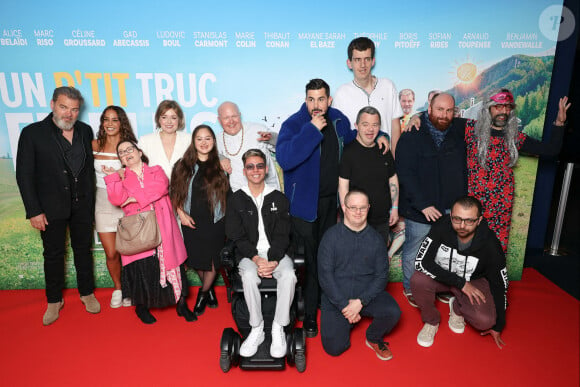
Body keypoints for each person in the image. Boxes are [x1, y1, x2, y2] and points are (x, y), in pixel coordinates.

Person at [276, 78, 357, 338]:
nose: (316, 105)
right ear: (305, 99)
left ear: (329, 100)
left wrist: (381, 136)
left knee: (329, 259)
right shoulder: (294, 123)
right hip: (303, 208)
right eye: (311, 99)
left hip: (333, 204)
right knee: (310, 262)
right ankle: (310, 314)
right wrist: (311, 130)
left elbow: (356, 140)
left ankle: (325, 302)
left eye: (321, 99)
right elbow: (285, 159)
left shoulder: (339, 120)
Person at [16, 86, 100, 326]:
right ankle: (54, 300)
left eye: (74, 109)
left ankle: (87, 293)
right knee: (53, 254)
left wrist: (91, 204)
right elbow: (24, 174)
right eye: (64, 107)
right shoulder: (33, 133)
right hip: (50, 207)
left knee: (83, 251)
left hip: (82, 205)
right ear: (53, 104)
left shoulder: (85, 130)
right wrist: (33, 210)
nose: (69, 114)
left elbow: (87, 173)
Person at [466, 90, 569, 253]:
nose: (504, 112)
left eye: (508, 108)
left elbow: (551, 150)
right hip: (473, 203)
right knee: (468, 246)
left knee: (496, 249)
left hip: (501, 206)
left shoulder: (515, 138)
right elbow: (439, 121)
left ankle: (494, 278)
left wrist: (559, 123)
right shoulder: (469, 130)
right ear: (488, 109)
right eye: (499, 107)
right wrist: (417, 117)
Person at [105, 140, 195, 324]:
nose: (126, 153)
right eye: (122, 152)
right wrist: (113, 178)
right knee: (143, 267)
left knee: (172, 264)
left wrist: (134, 198)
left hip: (163, 224)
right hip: (139, 229)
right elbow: (116, 199)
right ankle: (142, 307)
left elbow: (160, 188)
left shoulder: (157, 170)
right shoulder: (120, 177)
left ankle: (181, 305)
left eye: (130, 149)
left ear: (139, 152)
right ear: (120, 159)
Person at [395, 93, 467, 308]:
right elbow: (405, 173)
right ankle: (410, 287)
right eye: (439, 110)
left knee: (445, 251)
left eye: (449, 111)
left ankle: (441, 287)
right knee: (414, 250)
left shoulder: (459, 131)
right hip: (420, 209)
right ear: (429, 110)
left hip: (449, 208)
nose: (444, 115)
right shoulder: (412, 134)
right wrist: (423, 204)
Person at [226, 149, 297, 358]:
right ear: (244, 170)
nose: (255, 170)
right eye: (250, 167)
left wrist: (273, 260)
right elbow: (235, 235)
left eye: (259, 166)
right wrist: (256, 259)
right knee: (248, 276)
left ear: (266, 169)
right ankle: (256, 328)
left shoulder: (279, 198)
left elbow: (284, 234)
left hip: (276, 253)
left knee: (289, 276)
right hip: (249, 255)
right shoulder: (236, 199)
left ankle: (278, 327)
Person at [411, 196, 508, 349]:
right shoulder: (441, 226)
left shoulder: (490, 244)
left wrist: (499, 325)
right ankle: (431, 321)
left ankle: (457, 307)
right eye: (457, 219)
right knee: (418, 280)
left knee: (485, 322)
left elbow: (499, 285)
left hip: (473, 280)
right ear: (451, 216)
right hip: (444, 277)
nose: (462, 226)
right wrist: (460, 283)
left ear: (479, 220)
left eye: (469, 221)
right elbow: (422, 261)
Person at [318, 190, 401, 360]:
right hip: (337, 296)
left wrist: (360, 302)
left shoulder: (376, 239)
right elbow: (325, 276)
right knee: (334, 348)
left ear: (368, 208)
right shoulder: (330, 237)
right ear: (344, 208)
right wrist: (345, 307)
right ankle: (349, 320)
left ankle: (373, 337)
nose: (358, 212)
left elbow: (381, 276)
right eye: (353, 207)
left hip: (366, 294)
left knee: (393, 312)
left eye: (362, 208)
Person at [170, 125, 230, 317]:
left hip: (216, 221)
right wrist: (181, 214)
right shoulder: (182, 165)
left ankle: (202, 295)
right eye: (199, 139)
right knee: (196, 260)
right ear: (193, 142)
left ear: (213, 141)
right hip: (191, 219)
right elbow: (174, 192)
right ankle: (210, 289)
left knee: (212, 261)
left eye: (208, 139)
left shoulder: (221, 165)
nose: (204, 143)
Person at [93, 106, 137, 308]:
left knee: (128, 250)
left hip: (125, 202)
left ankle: (130, 289)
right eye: (106, 119)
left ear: (122, 123)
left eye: (115, 120)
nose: (110, 124)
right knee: (111, 252)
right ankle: (118, 288)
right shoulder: (93, 145)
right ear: (102, 122)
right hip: (102, 201)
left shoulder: (129, 146)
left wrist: (124, 174)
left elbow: (139, 173)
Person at [339, 106, 399, 247]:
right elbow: (343, 186)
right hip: (356, 220)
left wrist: (395, 208)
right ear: (357, 126)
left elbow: (393, 179)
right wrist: (346, 212)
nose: (370, 130)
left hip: (382, 220)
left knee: (379, 263)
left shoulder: (384, 150)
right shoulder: (348, 153)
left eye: (375, 125)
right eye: (365, 124)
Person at [333, 37, 404, 153]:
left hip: (385, 162)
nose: (362, 65)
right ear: (349, 63)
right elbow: (339, 135)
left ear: (373, 61)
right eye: (357, 60)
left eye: (367, 59)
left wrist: (395, 162)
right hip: (355, 164)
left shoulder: (388, 86)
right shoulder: (341, 93)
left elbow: (395, 128)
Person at [216, 101, 279, 191]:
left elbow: (282, 144)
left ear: (240, 115)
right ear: (219, 120)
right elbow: (208, 155)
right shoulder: (217, 139)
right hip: (240, 195)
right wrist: (220, 158)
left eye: (234, 116)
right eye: (226, 118)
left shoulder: (257, 129)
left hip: (268, 191)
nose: (231, 121)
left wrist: (272, 138)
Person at [139, 100, 191, 180]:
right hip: (155, 190)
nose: (169, 122)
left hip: (184, 190)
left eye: (173, 118)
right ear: (158, 119)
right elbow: (137, 169)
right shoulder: (145, 141)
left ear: (179, 119)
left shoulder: (189, 139)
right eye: (164, 117)